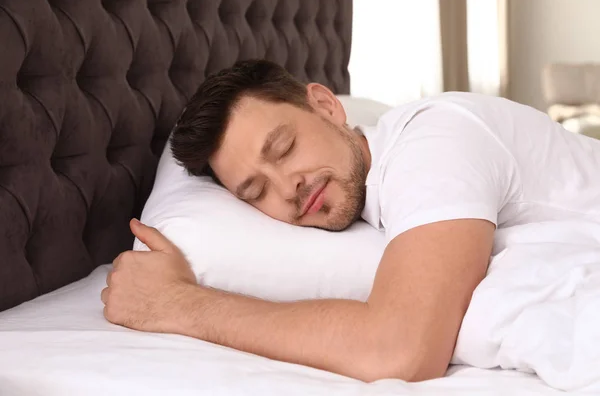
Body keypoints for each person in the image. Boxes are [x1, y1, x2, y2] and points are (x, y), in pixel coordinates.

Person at [100, 60, 600, 382]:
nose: (287, 187)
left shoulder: (431, 145)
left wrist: (181, 305)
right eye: (255, 192)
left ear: (326, 105)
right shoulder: (376, 188)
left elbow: (401, 350)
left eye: (284, 148)